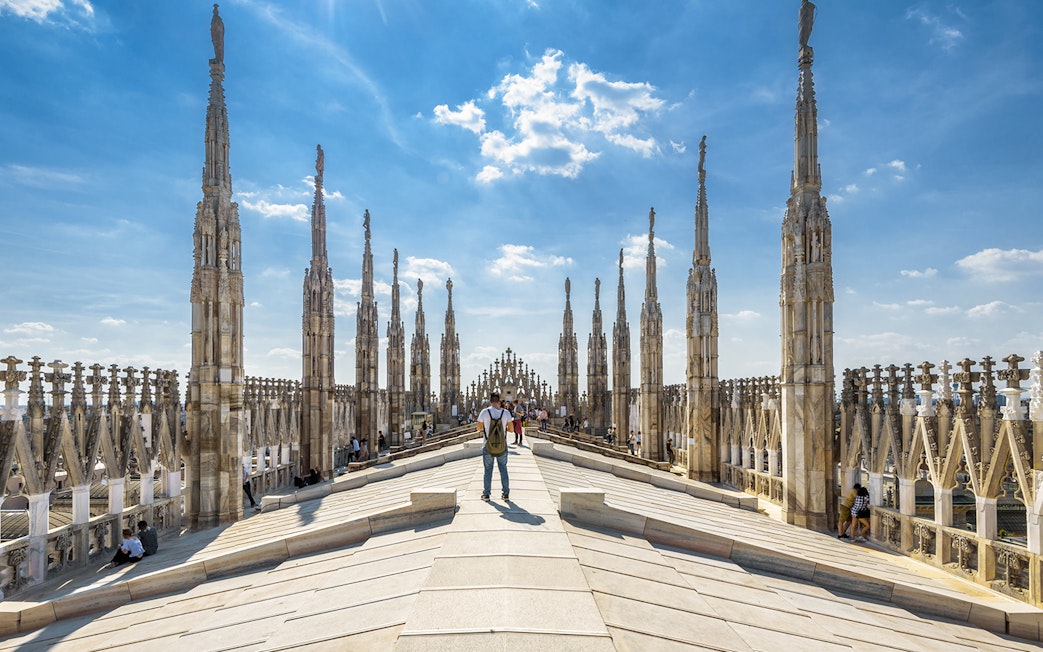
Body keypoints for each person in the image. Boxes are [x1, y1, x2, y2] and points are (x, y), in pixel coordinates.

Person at [477, 391, 511, 502]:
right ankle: (505, 494)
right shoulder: (506, 413)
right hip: (502, 446)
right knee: (503, 469)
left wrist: (488, 430)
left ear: (490, 401)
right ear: (499, 401)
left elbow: (478, 428)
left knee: (488, 470)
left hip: (487, 445)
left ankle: (486, 495)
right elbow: (511, 429)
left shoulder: (484, 412)